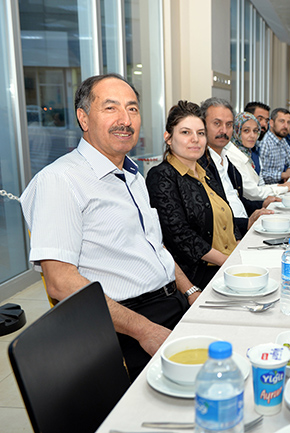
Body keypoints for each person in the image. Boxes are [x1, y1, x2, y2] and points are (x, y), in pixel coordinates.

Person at [21, 74, 197, 379]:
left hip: (172, 303)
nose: (125, 120)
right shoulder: (60, 180)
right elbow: (60, 282)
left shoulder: (133, 175)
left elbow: (154, 246)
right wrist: (145, 330)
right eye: (111, 108)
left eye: (132, 109)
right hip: (125, 326)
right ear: (83, 118)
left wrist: (191, 291)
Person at [147, 100, 240, 293]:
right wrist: (230, 262)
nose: (195, 139)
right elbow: (180, 237)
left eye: (201, 133)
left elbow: (227, 217)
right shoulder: (162, 176)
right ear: (168, 138)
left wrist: (240, 251)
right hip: (199, 277)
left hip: (228, 265)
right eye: (185, 132)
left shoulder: (205, 171)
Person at [198, 98, 276, 236]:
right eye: (217, 123)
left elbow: (237, 198)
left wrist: (262, 205)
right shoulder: (200, 164)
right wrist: (246, 223)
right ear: (202, 126)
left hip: (241, 228)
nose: (224, 130)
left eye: (229, 124)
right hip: (229, 235)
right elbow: (208, 219)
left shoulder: (225, 159)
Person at [224, 111, 290, 201]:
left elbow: (260, 184)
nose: (252, 135)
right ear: (236, 131)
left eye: (255, 131)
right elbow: (253, 192)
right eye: (246, 130)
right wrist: (283, 188)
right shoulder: (230, 155)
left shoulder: (250, 152)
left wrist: (280, 186)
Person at [258, 108, 290, 185]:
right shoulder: (265, 143)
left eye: (288, 122)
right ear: (271, 123)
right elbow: (261, 175)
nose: (286, 126)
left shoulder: (282, 140)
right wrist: (284, 175)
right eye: (282, 121)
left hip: (280, 185)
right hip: (268, 189)